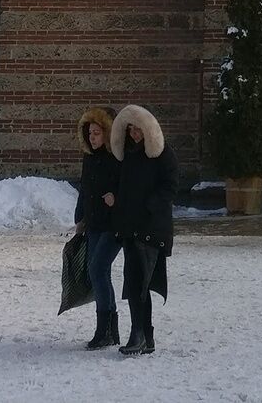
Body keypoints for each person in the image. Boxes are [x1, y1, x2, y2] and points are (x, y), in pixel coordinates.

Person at [110, 104, 174, 358]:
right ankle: (144, 336)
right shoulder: (129, 155)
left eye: (139, 129)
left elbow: (170, 187)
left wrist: (148, 206)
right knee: (135, 283)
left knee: (140, 283)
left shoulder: (163, 154)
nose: (135, 134)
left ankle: (140, 334)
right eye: (131, 129)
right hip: (131, 228)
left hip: (151, 229)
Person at [74, 106, 121, 349]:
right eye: (90, 133)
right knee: (100, 273)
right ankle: (110, 329)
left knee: (97, 269)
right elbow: (84, 188)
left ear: (107, 134)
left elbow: (129, 188)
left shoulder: (117, 159)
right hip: (94, 222)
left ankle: (104, 329)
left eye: (96, 133)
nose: (92, 138)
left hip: (114, 224)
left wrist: (117, 198)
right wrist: (79, 216)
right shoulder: (89, 158)